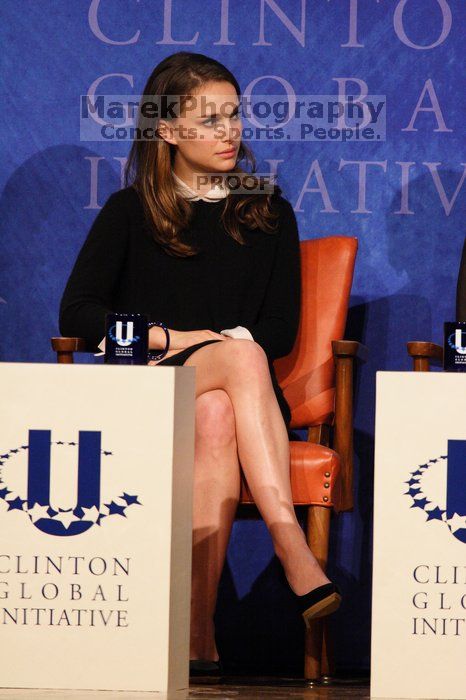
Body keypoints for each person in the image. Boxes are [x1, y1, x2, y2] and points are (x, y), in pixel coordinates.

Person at [59, 51, 341, 673]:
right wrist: (175, 338)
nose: (230, 131)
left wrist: (218, 350)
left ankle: (195, 636)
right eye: (209, 119)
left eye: (234, 115)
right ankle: (289, 540)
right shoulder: (130, 212)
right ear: (167, 131)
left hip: (230, 393)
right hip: (150, 391)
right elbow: (77, 313)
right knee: (236, 358)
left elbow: (279, 329)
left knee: (217, 409)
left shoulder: (266, 209)